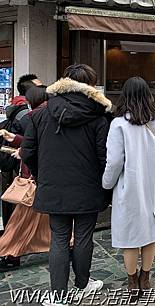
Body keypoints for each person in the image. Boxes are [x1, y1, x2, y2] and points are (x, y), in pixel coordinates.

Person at [21, 64, 111, 304]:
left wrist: (43, 176)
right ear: (90, 86)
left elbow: (27, 152)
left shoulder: (41, 114)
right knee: (83, 237)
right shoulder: (98, 117)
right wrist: (106, 186)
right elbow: (104, 157)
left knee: (59, 239)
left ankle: (58, 296)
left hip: (54, 187)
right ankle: (83, 285)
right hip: (89, 188)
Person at [102, 77, 155, 296]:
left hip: (130, 183)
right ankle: (146, 277)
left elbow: (114, 161)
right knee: (151, 231)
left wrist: (106, 183)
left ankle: (132, 282)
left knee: (130, 234)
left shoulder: (118, 124)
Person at [0, 86, 50, 272]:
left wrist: (23, 151)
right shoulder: (45, 117)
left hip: (33, 178)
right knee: (49, 220)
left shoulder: (35, 117)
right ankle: (69, 246)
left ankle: (10, 254)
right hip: (43, 179)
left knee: (19, 222)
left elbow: (35, 146)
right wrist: (15, 139)